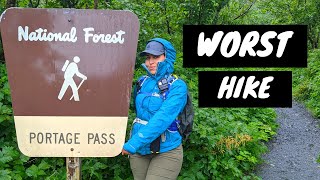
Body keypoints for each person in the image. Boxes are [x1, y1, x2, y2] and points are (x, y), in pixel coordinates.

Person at [122, 38, 188, 180]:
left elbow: (162, 119)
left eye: (156, 57)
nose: (150, 62)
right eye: (148, 57)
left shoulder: (177, 86)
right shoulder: (141, 82)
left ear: (167, 56)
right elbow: (136, 110)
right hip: (140, 151)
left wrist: (132, 144)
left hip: (166, 150)